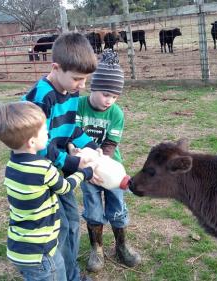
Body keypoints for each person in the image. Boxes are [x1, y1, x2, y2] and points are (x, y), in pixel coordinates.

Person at [21, 32, 99, 281]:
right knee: (61, 227)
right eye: (78, 79)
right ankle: (63, 275)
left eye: (85, 79)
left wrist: (90, 145)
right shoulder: (42, 97)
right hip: (41, 174)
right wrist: (75, 163)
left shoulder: (70, 90)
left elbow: (69, 127)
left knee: (72, 222)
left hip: (59, 169)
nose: (82, 85)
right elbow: (40, 147)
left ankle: (71, 272)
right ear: (56, 68)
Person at [0, 101, 95, 281]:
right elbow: (65, 187)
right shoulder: (43, 167)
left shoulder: (12, 165)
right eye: (44, 130)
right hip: (43, 251)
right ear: (32, 141)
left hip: (20, 248)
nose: (48, 132)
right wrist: (84, 173)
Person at [75, 49, 141, 272]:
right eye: (105, 94)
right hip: (86, 170)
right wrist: (86, 165)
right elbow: (71, 134)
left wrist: (101, 162)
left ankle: (121, 246)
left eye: (114, 96)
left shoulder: (116, 113)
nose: (109, 100)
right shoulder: (78, 106)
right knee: (93, 210)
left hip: (110, 167)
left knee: (117, 207)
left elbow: (111, 143)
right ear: (93, 87)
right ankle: (97, 249)